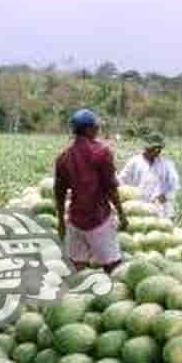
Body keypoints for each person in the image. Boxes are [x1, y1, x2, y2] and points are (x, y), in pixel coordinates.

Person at [54, 108, 128, 273]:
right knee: (113, 266)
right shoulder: (102, 152)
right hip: (98, 218)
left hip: (75, 220)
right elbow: (111, 188)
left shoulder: (63, 157)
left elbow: (58, 192)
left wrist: (61, 221)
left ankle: (78, 295)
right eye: (96, 127)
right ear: (88, 129)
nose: (98, 130)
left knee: (77, 266)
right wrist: (122, 214)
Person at [118, 131, 181, 219]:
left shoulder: (167, 164)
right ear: (146, 147)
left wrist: (165, 196)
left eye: (159, 148)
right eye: (154, 147)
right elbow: (121, 181)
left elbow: (175, 184)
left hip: (160, 207)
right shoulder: (134, 162)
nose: (157, 150)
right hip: (138, 208)